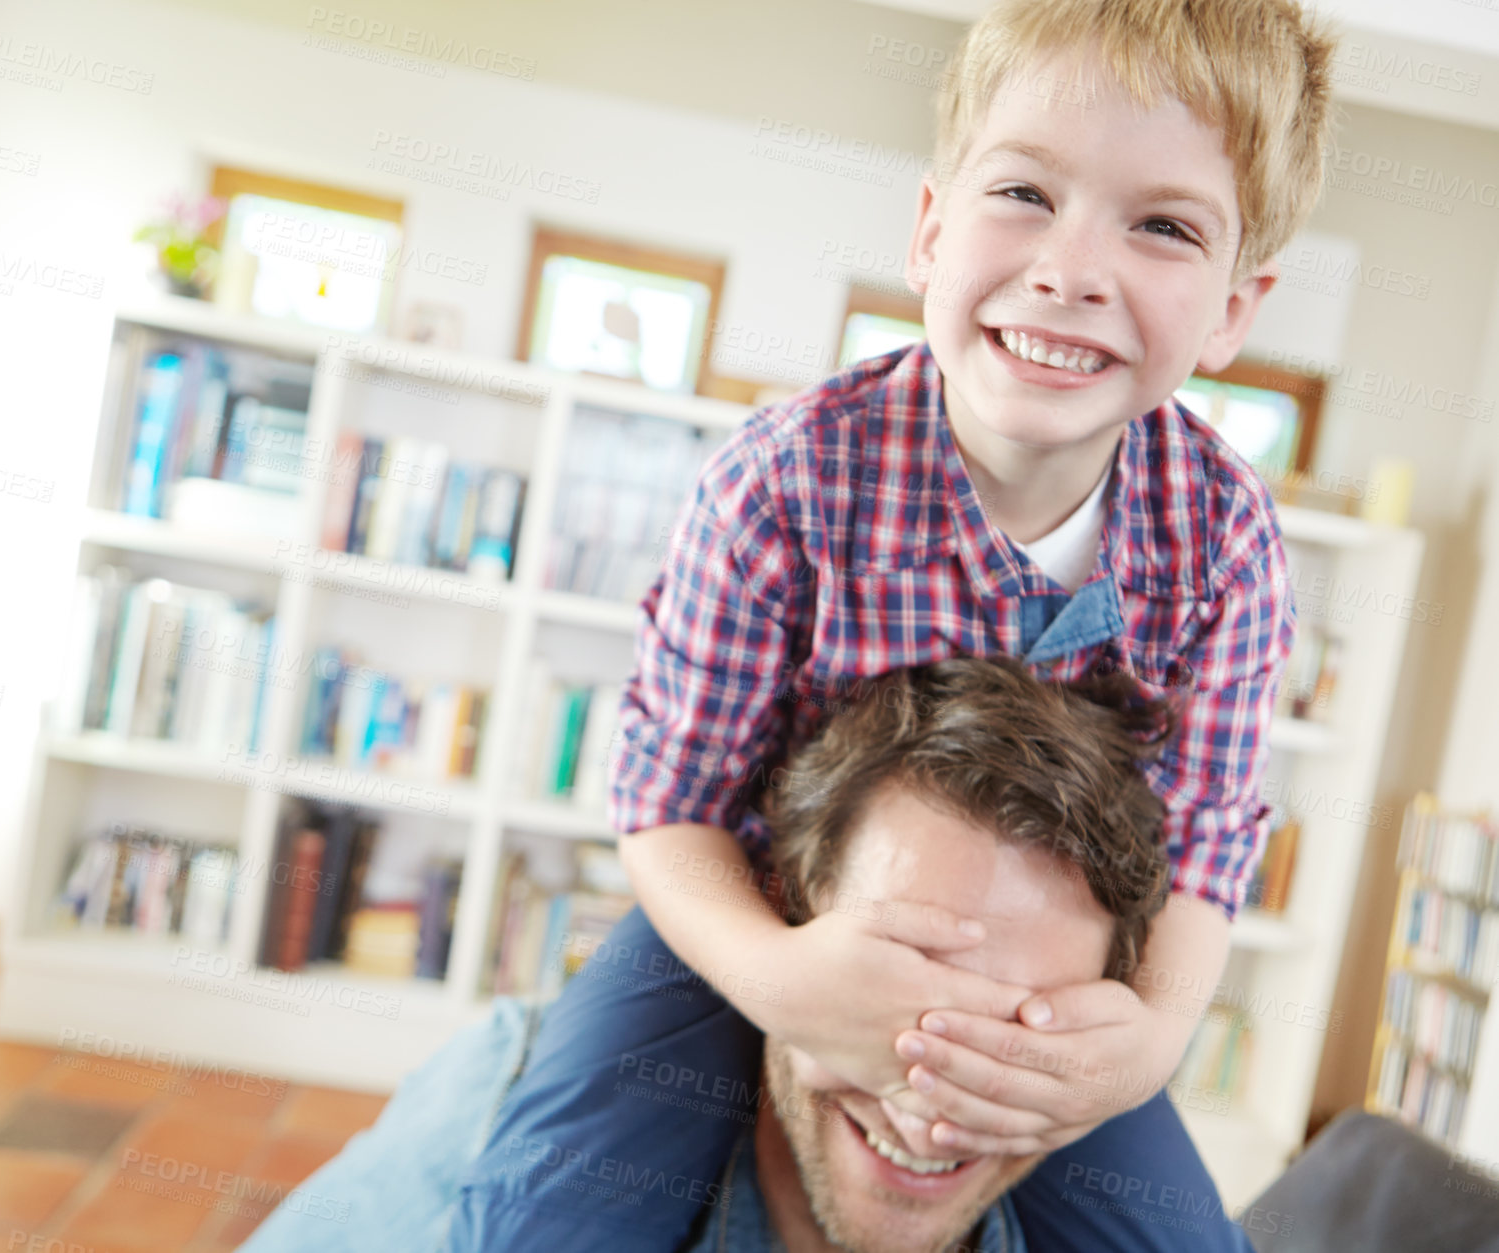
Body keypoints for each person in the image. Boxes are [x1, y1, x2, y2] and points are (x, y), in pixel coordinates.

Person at [451, 0, 1336, 1246]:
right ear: (929, 229)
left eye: (1162, 226)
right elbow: (670, 803)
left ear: (1236, 309)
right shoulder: (785, 478)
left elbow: (1205, 848)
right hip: (764, 912)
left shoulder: (1225, 540)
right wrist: (776, 980)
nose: (1070, 270)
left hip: (1039, 966)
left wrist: (1148, 1038)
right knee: (549, 1210)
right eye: (1024, 192)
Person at [241, 658, 1256, 1252]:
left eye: (1020, 1030)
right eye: (894, 984)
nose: (931, 1100)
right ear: (782, 914)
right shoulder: (496, 1119)